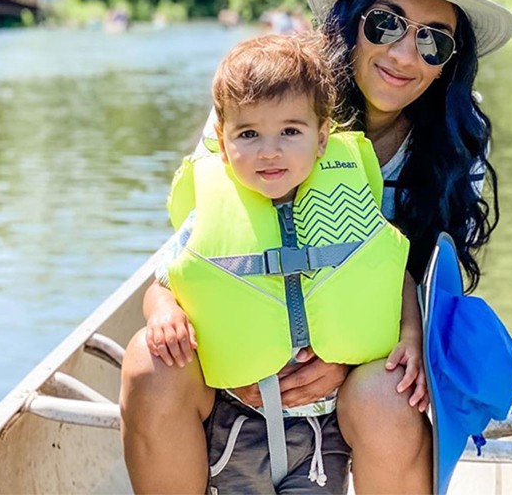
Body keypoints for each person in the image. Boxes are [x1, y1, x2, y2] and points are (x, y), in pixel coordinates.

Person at [121, 0, 512, 494]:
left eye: (433, 39)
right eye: (387, 23)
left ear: (450, 61)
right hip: (237, 356)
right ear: (354, 20)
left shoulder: (460, 144)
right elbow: (197, 250)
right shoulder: (267, 97)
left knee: (391, 393)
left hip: (365, 367)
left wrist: (346, 356)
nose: (406, 55)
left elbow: (429, 286)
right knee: (149, 363)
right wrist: (251, 349)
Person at [122, 32, 424, 494]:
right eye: (249, 134)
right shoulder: (209, 216)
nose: (269, 150)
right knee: (148, 356)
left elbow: (390, 274)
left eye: (289, 131)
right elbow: (164, 281)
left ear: (321, 139)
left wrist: (409, 334)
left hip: (323, 430)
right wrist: (163, 313)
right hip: (235, 417)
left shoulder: (347, 206)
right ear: (222, 145)